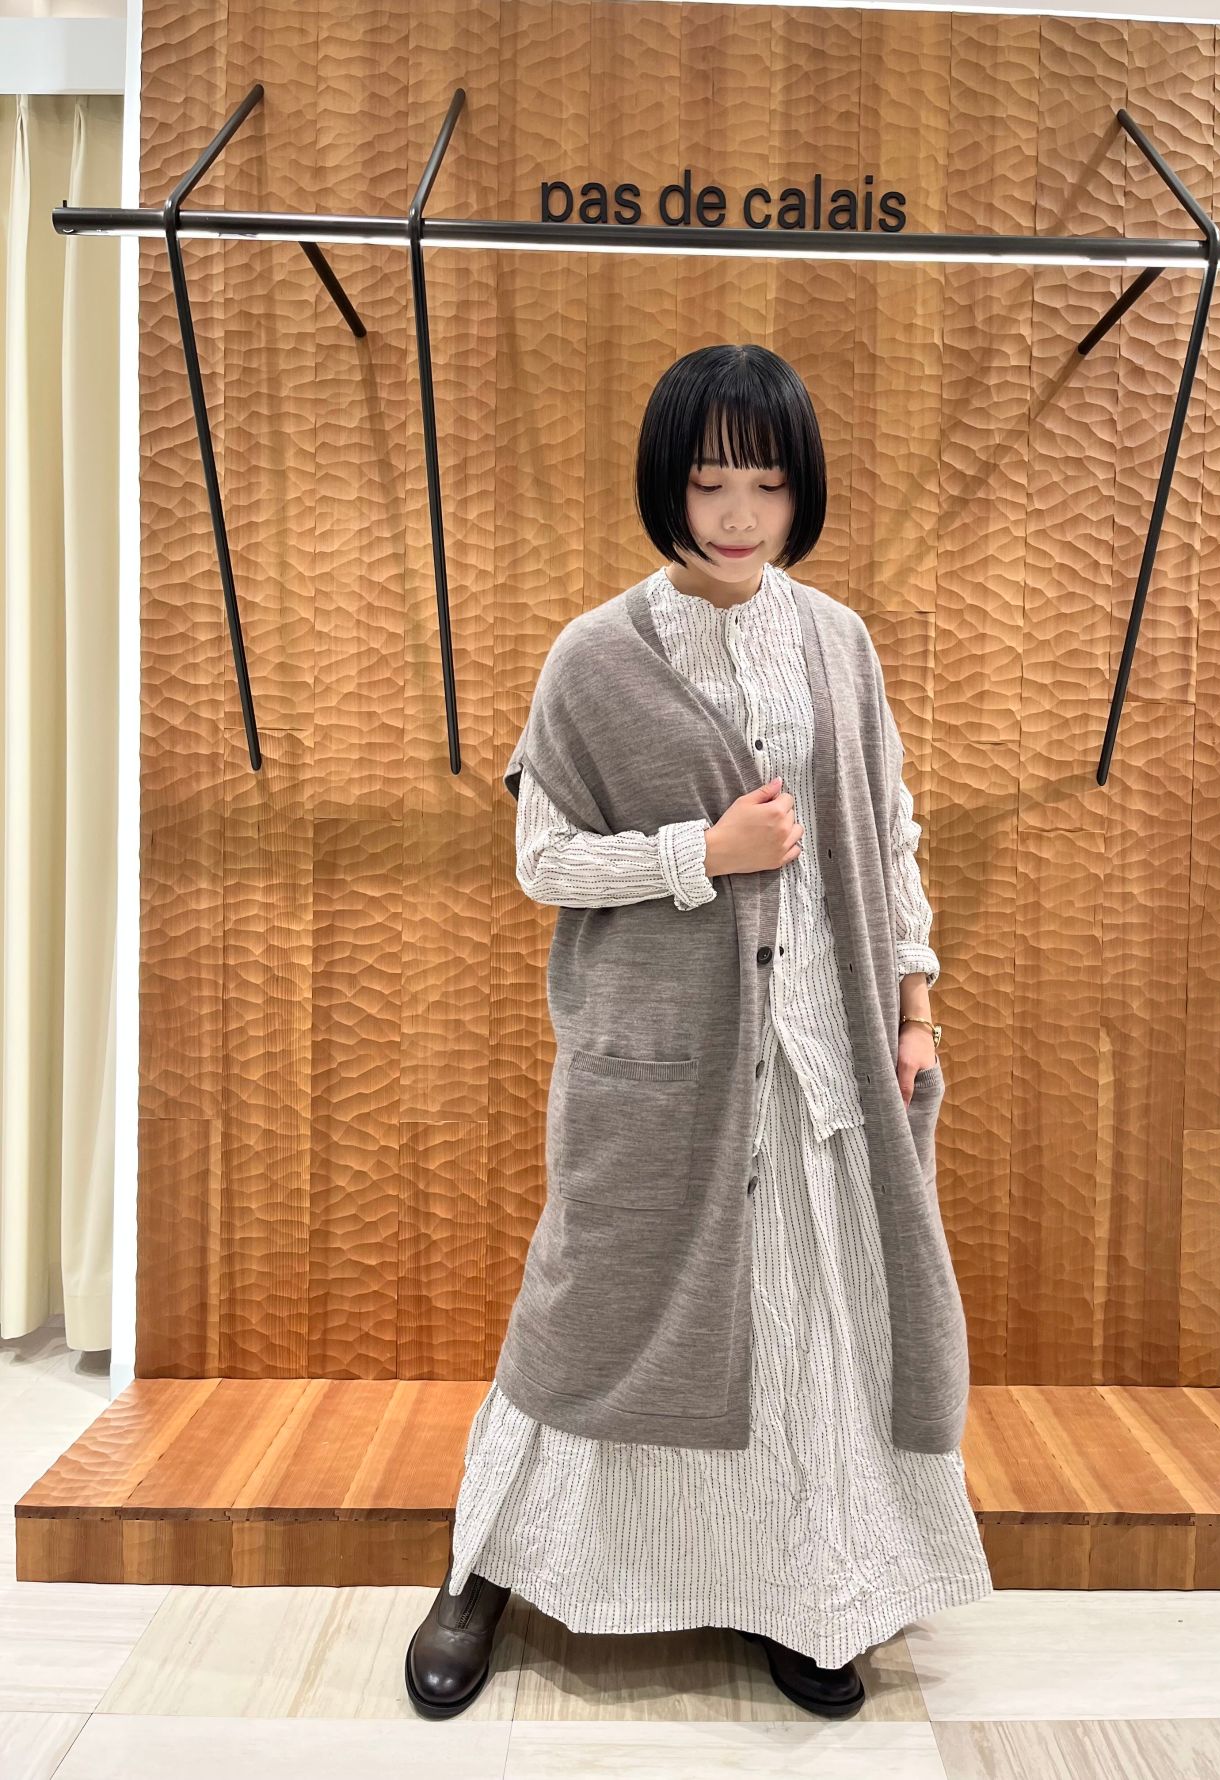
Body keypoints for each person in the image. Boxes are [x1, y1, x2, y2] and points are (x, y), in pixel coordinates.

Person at [405, 343, 993, 1722]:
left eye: (767, 484)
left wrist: (916, 1007)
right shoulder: (596, 655)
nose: (737, 513)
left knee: (807, 1329)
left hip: (824, 1059)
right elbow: (545, 861)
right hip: (667, 1064)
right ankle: (483, 1570)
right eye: (710, 480)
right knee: (595, 1311)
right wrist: (700, 854)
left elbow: (889, 832)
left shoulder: (838, 640)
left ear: (802, 492)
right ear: (665, 482)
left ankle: (806, 1589)